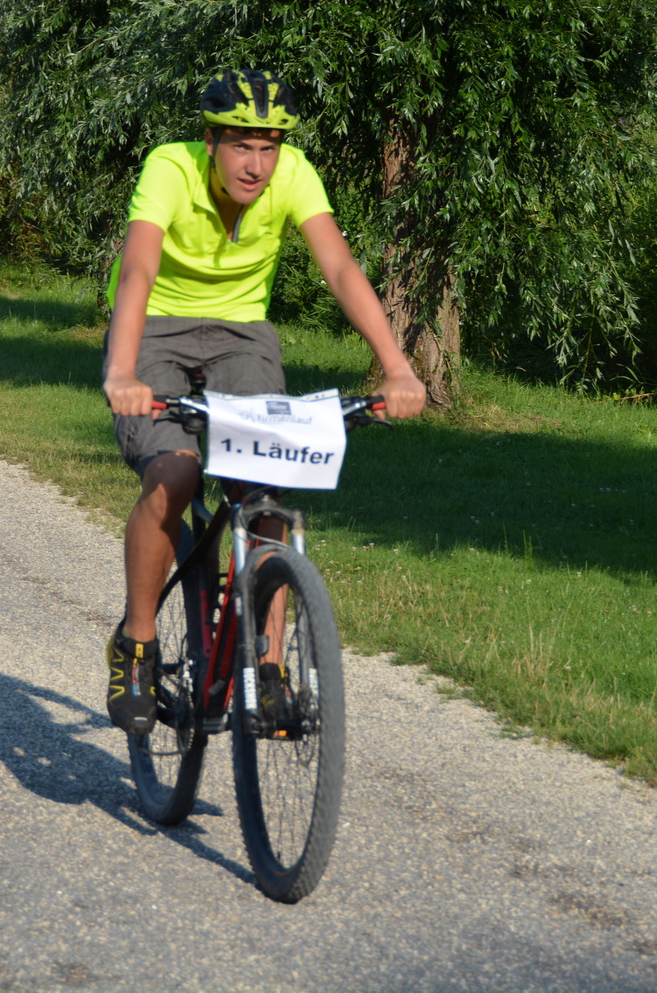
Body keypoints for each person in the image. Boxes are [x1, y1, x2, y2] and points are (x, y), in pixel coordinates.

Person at [102, 69, 427, 736]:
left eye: (269, 147)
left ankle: (269, 665)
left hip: (241, 336)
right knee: (175, 471)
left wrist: (396, 366)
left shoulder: (295, 175)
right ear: (211, 141)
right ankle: (135, 643)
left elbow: (339, 266)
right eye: (242, 146)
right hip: (156, 327)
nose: (257, 164)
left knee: (269, 477)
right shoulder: (169, 168)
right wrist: (123, 369)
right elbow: (137, 268)